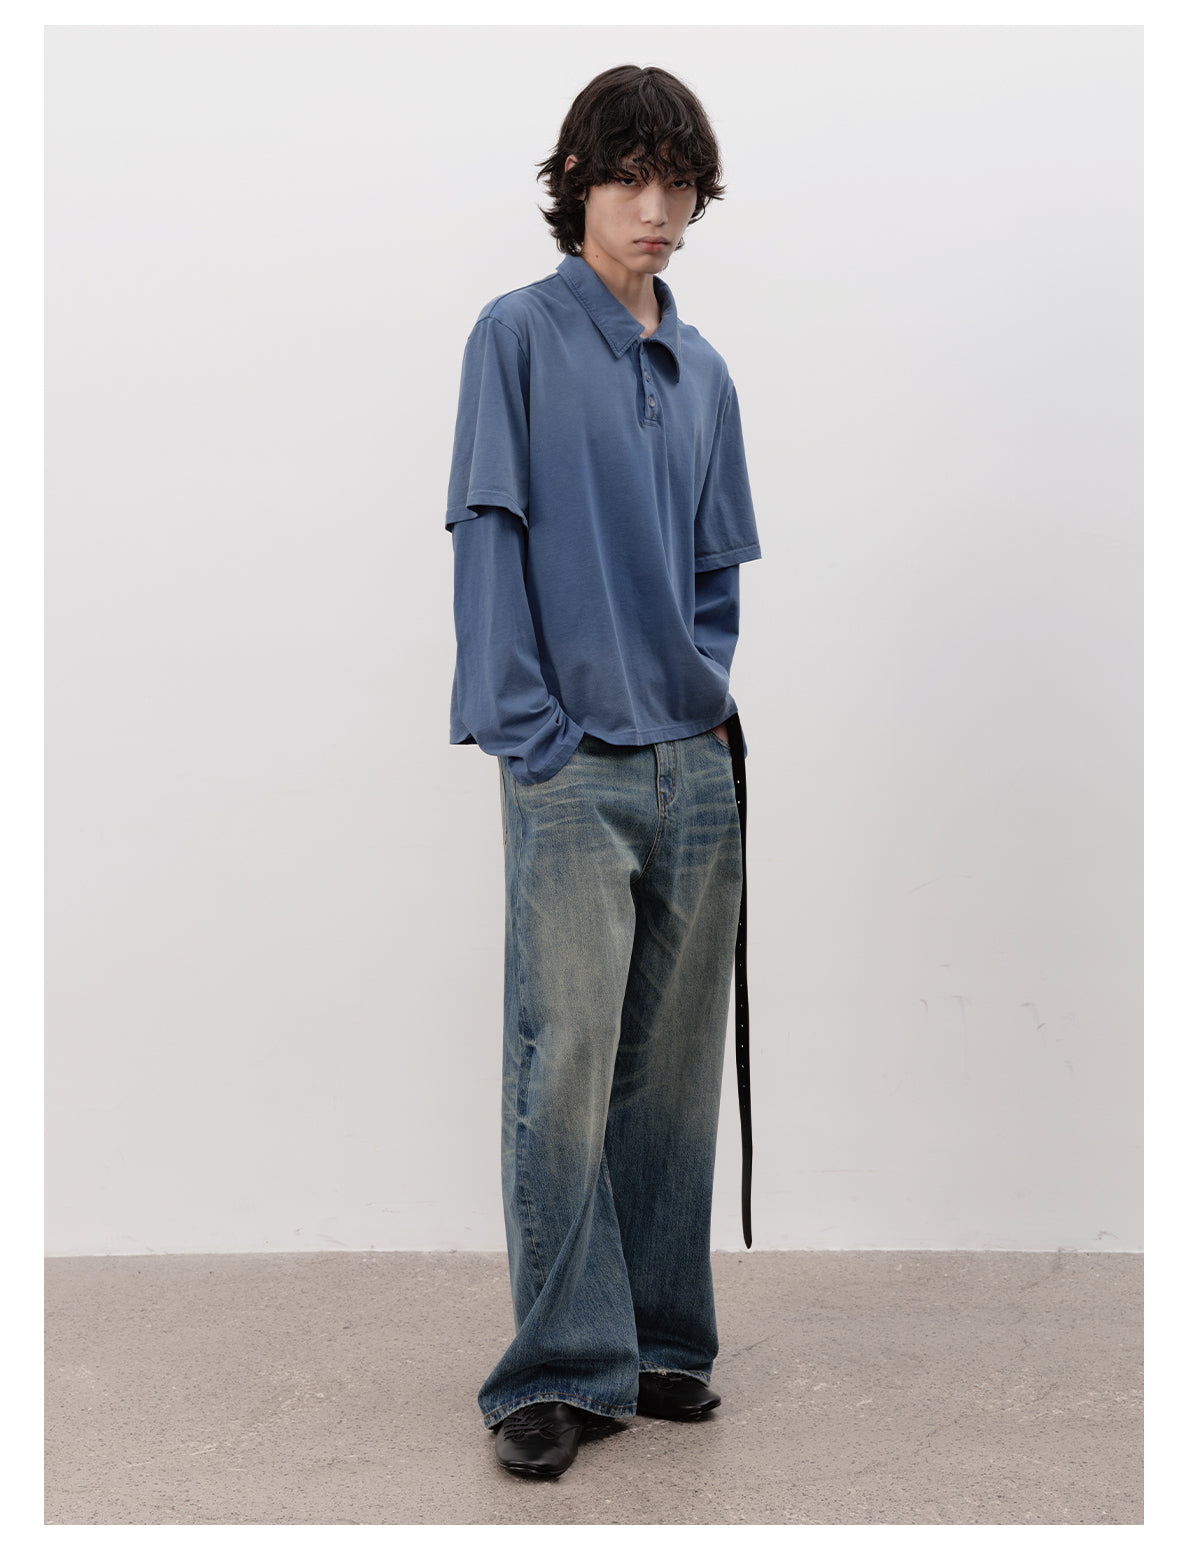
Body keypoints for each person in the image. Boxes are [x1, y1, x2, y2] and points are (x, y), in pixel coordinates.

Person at [444, 63, 762, 1480]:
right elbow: (487, 534)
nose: (657, 206)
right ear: (576, 182)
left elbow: (715, 574)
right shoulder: (515, 336)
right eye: (630, 176)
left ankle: (662, 1340)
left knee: (674, 1073)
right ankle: (559, 1366)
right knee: (563, 1061)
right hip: (569, 766)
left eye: (677, 181)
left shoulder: (707, 372)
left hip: (693, 766)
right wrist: (532, 733)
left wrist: (704, 711)